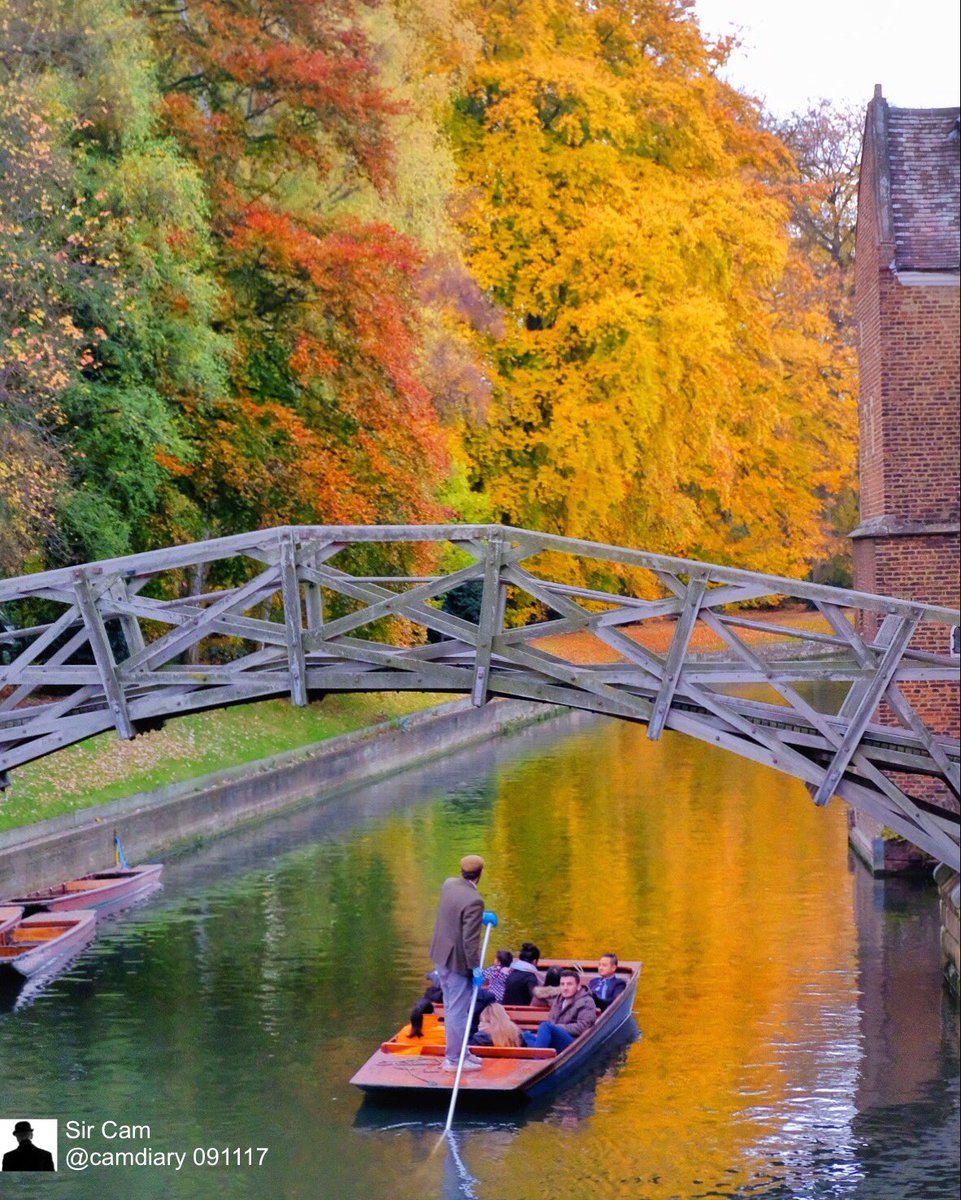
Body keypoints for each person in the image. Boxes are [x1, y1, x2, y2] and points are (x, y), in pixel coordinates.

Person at [429, 853, 487, 1072]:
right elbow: (470, 942)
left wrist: (480, 917)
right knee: (456, 1011)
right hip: (456, 964)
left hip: (440, 956)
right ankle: (454, 1059)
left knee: (453, 1007)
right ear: (480, 874)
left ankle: (464, 1052)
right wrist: (475, 969)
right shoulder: (475, 901)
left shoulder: (449, 884)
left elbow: (456, 913)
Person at [531, 968, 597, 1053]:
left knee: (545, 1026)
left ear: (578, 986)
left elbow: (583, 1027)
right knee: (526, 1035)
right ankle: (537, 1054)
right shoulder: (559, 999)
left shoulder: (586, 1001)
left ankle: (536, 1059)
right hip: (557, 1037)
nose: (565, 988)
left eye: (569, 984)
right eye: (562, 984)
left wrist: (558, 1027)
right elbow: (552, 1019)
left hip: (574, 1042)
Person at [502, 941, 541, 1006]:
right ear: (534, 961)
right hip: (522, 1013)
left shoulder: (511, 972)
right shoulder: (530, 977)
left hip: (506, 1010)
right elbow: (535, 999)